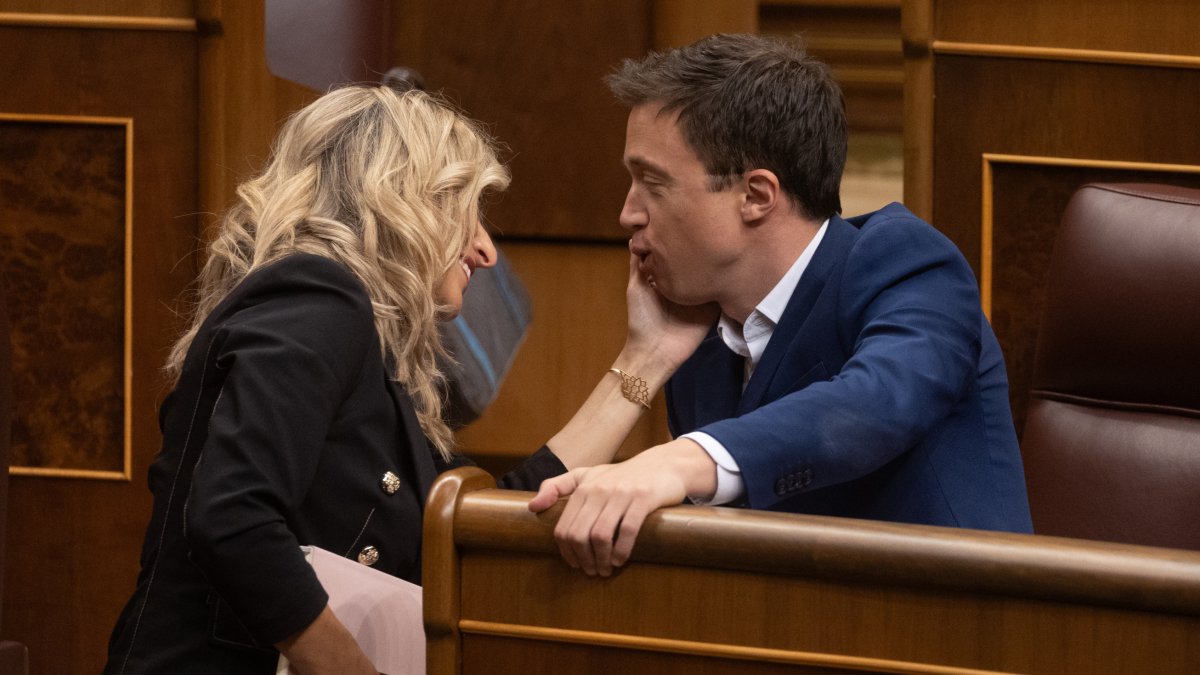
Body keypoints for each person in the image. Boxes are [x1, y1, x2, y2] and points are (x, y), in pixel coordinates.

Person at [103, 85, 709, 674]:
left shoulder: (369, 345)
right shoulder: (320, 297)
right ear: (405, 203)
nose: (485, 249)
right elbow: (233, 519)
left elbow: (470, 528)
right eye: (468, 212)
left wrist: (647, 358)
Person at [529, 33, 1034, 578]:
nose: (627, 214)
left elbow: (877, 401)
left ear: (756, 195)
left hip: (956, 631)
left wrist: (682, 459)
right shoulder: (699, 331)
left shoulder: (903, 260)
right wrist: (646, 364)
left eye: (652, 183)